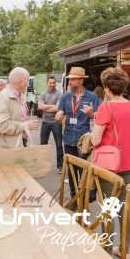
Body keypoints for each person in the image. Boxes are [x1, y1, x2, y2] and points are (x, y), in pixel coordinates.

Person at [91, 67, 130, 258]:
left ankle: (106, 249)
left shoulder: (105, 108)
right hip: (128, 165)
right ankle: (124, 249)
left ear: (106, 88)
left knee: (108, 209)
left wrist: (90, 137)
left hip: (108, 168)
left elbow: (96, 140)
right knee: (126, 209)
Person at [55, 67, 100, 201]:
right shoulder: (65, 97)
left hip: (85, 140)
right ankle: (74, 198)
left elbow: (99, 117)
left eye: (73, 79)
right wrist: (58, 118)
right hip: (69, 138)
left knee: (84, 170)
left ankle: (83, 198)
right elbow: (59, 116)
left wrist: (92, 114)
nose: (70, 82)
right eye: (70, 79)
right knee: (72, 170)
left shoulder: (92, 97)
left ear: (81, 81)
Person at [0, 67, 38, 151]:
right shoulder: (3, 97)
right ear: (21, 82)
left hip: (18, 144)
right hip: (7, 149)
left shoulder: (20, 96)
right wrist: (25, 126)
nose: (28, 84)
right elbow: (2, 125)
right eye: (27, 82)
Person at [38, 75, 63, 174]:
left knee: (59, 145)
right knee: (43, 144)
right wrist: (52, 106)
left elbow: (57, 108)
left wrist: (45, 107)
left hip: (56, 122)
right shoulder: (43, 94)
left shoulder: (59, 94)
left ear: (55, 83)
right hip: (45, 122)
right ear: (47, 83)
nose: (52, 84)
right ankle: (43, 165)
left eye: (54, 83)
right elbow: (40, 107)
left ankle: (60, 165)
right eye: (50, 83)